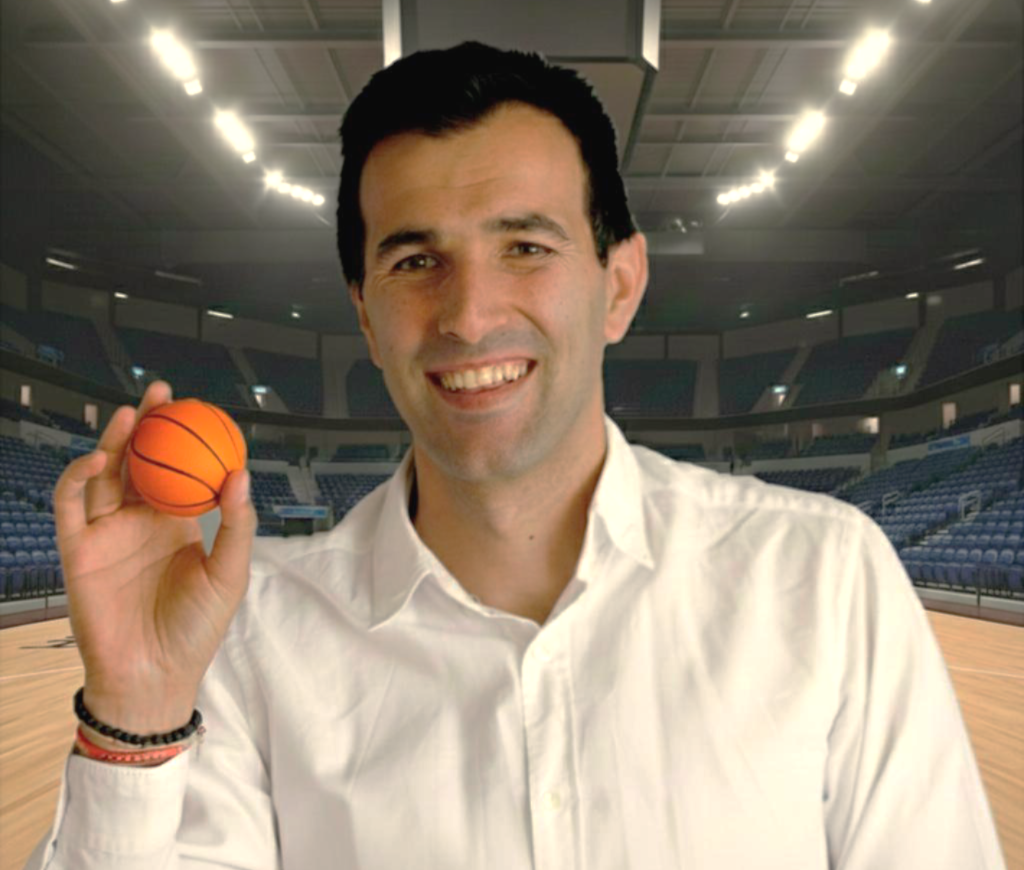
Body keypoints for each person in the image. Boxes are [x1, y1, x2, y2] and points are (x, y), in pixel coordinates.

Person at [28, 41, 1005, 869]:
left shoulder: (826, 580)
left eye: (526, 247)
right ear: (367, 318)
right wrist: (137, 712)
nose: (469, 314)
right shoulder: (248, 641)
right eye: (415, 262)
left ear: (619, 286)